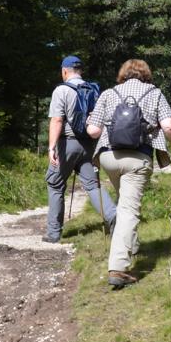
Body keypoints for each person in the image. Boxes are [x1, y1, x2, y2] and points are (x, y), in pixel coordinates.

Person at [86, 59, 171, 289]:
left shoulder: (109, 93)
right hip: (137, 158)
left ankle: (130, 247)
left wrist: (89, 121)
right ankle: (119, 268)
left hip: (108, 157)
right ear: (146, 74)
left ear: (123, 74)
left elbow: (93, 131)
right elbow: (169, 128)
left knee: (124, 204)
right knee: (128, 210)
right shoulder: (154, 93)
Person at [44, 56, 116, 243]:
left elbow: (57, 120)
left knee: (55, 184)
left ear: (65, 71)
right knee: (92, 186)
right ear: (80, 70)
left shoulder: (62, 90)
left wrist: (51, 147)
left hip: (67, 144)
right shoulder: (93, 90)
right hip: (89, 145)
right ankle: (113, 217)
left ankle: (53, 234)